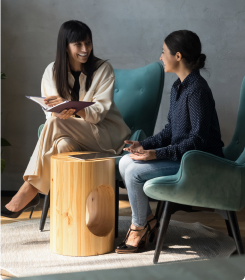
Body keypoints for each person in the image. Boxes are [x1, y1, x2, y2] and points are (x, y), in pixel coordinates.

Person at [2, 20, 131, 218]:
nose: (85, 49)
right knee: (62, 146)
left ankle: (29, 189)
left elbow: (97, 115)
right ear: (65, 46)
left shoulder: (103, 69)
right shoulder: (52, 71)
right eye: (78, 44)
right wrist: (62, 109)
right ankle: (72, 215)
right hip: (70, 135)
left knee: (56, 124)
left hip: (106, 136)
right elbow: (50, 111)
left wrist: (68, 106)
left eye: (88, 43)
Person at [115, 30, 225, 254]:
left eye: (163, 52)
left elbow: (198, 141)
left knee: (134, 171)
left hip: (199, 162)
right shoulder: (178, 87)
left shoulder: (197, 90)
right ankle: (148, 221)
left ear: (177, 56)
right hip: (183, 157)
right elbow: (170, 131)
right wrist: (144, 146)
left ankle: (139, 226)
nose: (160, 57)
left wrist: (156, 154)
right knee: (126, 161)